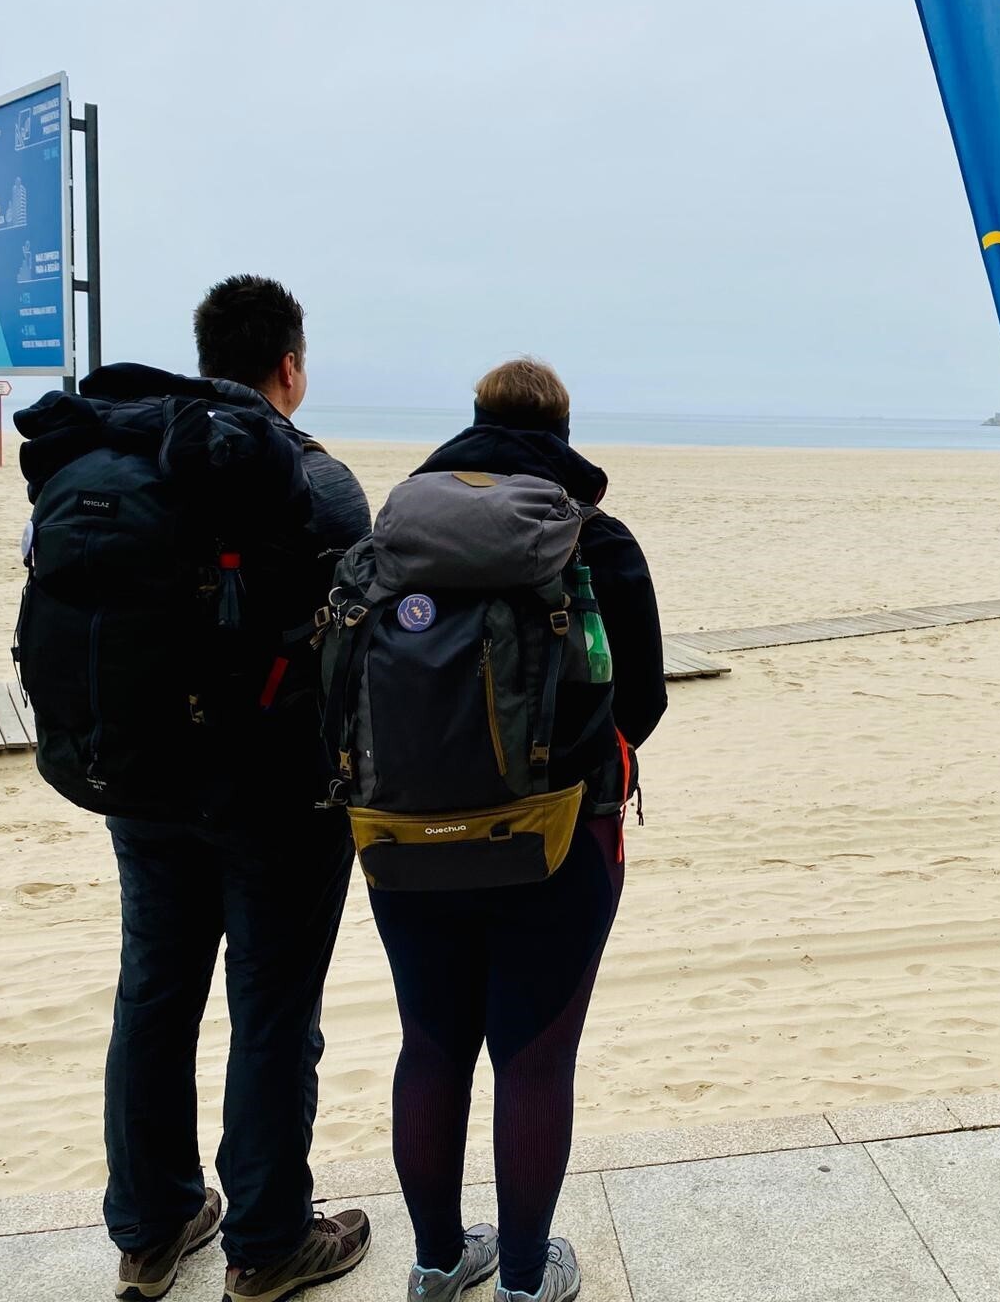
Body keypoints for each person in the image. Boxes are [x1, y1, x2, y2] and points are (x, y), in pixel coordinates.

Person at [371, 359, 666, 1302]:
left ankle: (436, 1263)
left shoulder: (393, 534)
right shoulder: (594, 537)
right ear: (563, 435)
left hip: (403, 835)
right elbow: (644, 701)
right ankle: (529, 1280)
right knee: (534, 1060)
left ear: (472, 424)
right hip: (558, 836)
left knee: (431, 1045)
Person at [104, 276, 374, 1302]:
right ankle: (265, 1244)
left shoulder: (133, 463)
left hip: (142, 780)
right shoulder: (319, 483)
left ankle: (152, 1228)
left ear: (205, 359)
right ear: (290, 367)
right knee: (272, 1010)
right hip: (276, 794)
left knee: (154, 994)